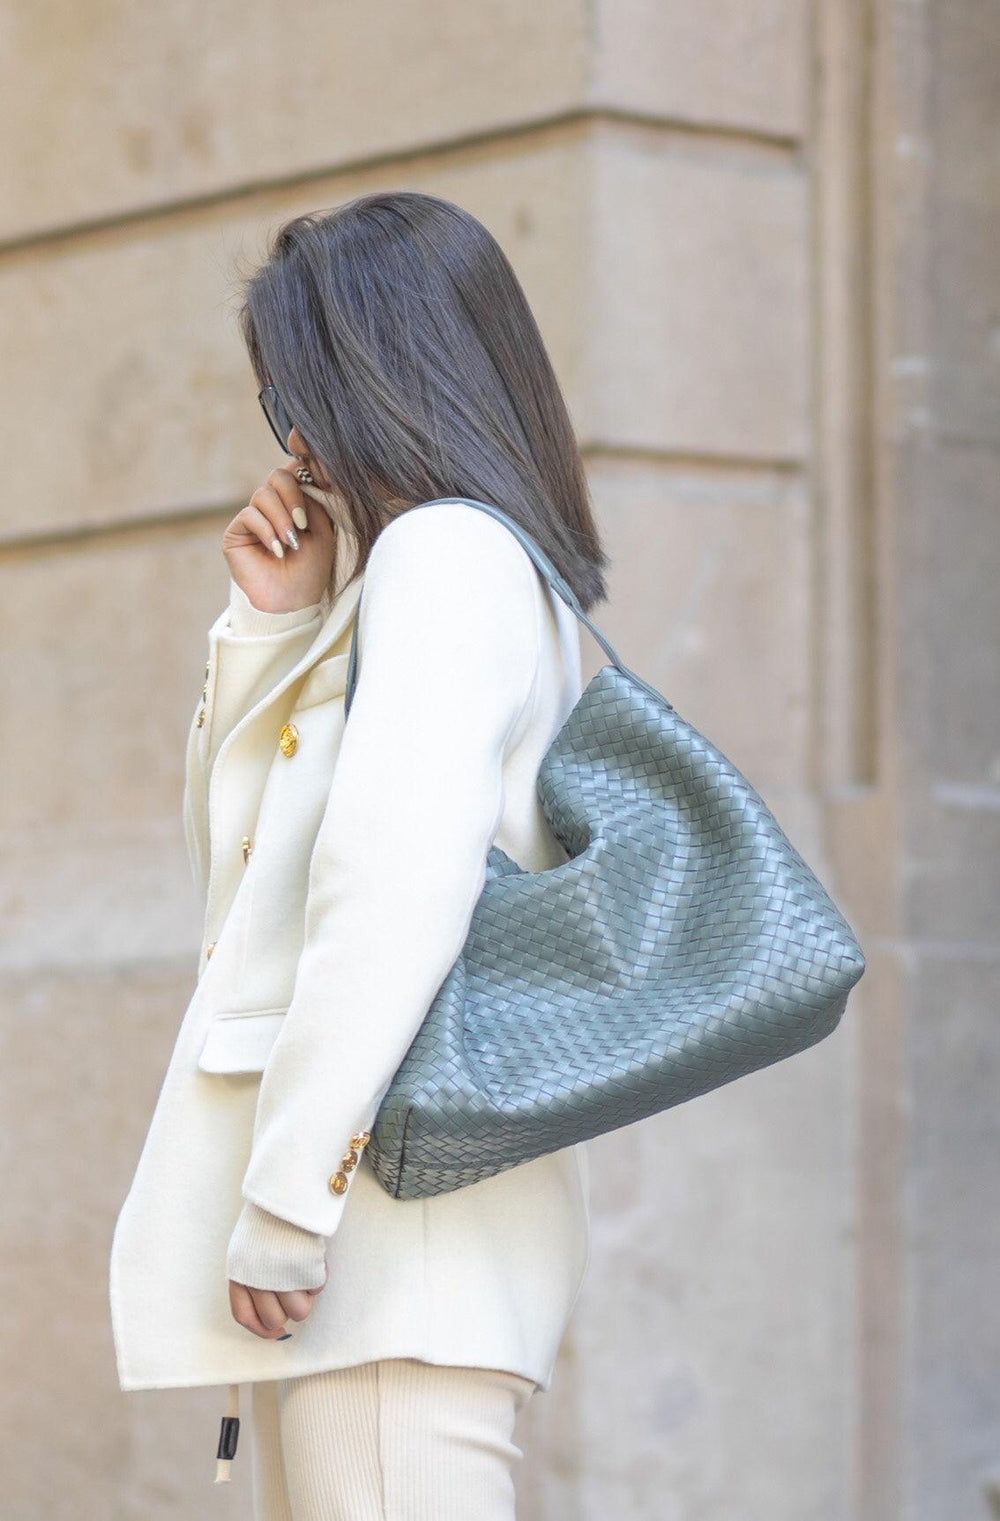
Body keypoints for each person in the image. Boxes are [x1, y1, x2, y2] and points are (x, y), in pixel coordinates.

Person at [109, 188, 610, 1519]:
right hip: (384, 1255)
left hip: (385, 1247)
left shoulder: (447, 563)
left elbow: (388, 898)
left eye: (299, 398)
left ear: (372, 382)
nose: (296, 442)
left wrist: (285, 1202)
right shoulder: (465, 570)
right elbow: (243, 896)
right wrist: (273, 629)